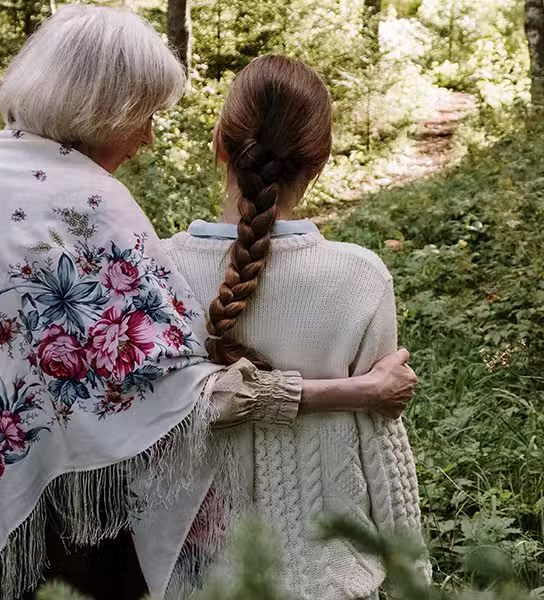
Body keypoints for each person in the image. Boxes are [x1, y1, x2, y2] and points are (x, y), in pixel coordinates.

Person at [0, 7, 420, 600]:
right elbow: (182, 393)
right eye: (144, 116)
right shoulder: (96, 207)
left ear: (223, 144)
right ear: (97, 109)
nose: (147, 137)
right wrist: (357, 393)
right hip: (68, 505)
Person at [156, 55, 432, 599]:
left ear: (220, 144)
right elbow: (380, 435)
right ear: (322, 160)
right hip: (329, 579)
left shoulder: (154, 269)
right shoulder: (358, 276)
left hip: (190, 578)